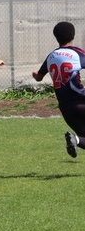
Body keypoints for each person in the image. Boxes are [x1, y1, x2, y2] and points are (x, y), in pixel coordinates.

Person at [32, 21, 85, 158]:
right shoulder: (77, 53)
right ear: (73, 35)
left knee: (83, 137)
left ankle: (76, 140)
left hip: (66, 108)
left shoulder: (51, 56)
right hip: (81, 101)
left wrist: (35, 74)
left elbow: (38, 77)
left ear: (56, 37)